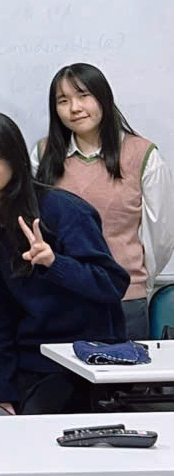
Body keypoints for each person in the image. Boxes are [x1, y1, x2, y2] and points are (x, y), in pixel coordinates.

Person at [0, 111, 128, 415]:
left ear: (16, 159)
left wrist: (54, 263)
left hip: (86, 364)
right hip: (33, 366)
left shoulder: (62, 209)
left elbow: (112, 283)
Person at [33, 63, 174, 341]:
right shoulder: (43, 154)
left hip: (123, 300)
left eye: (83, 95)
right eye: (63, 100)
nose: (75, 108)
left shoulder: (143, 155)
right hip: (59, 300)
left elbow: (160, 237)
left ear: (103, 98)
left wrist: (137, 282)